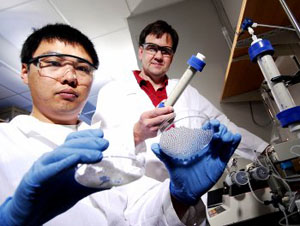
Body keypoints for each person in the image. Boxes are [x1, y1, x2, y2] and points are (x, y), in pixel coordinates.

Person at [0, 23, 241, 226]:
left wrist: (179, 196)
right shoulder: (5, 142)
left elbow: (137, 216)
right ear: (24, 71)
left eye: (82, 68)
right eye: (53, 63)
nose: (70, 77)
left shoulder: (110, 149)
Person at [92, 20, 269, 182]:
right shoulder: (113, 91)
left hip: (194, 184)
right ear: (141, 51)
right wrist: (137, 133)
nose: (158, 56)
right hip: (144, 188)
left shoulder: (187, 91)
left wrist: (263, 150)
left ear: (172, 57)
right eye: (152, 48)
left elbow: (225, 126)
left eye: (166, 51)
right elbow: (103, 145)